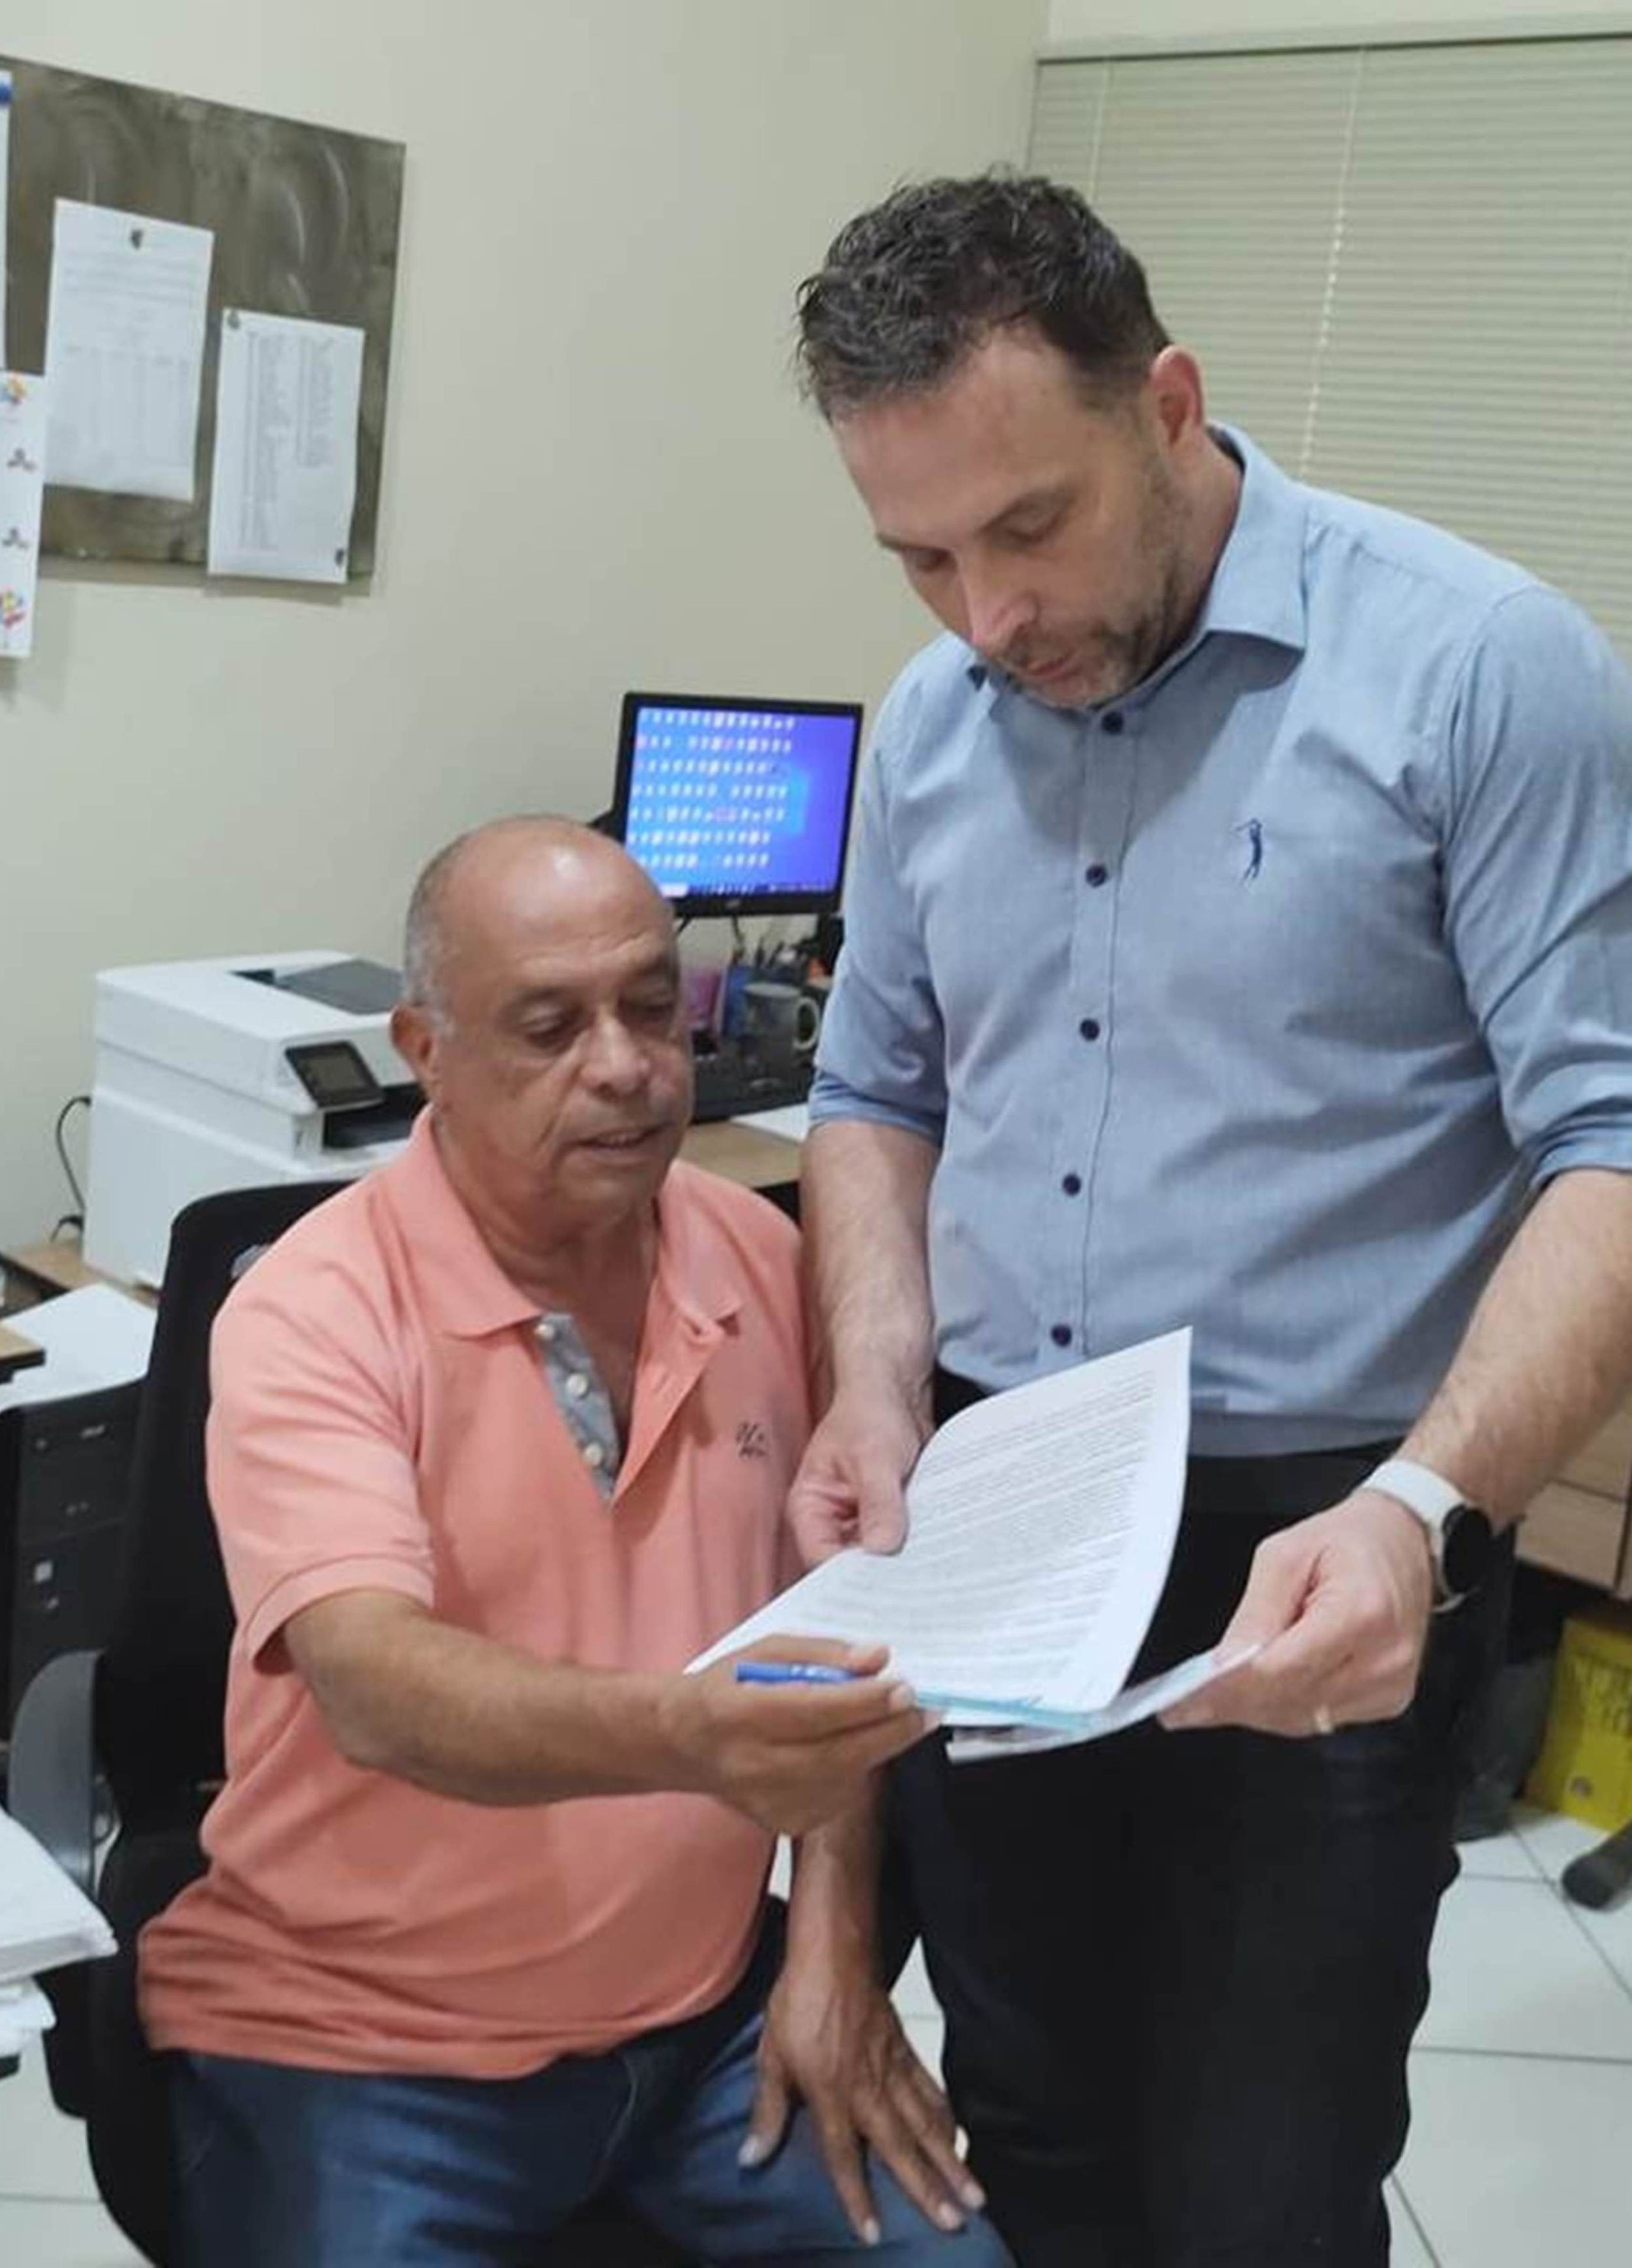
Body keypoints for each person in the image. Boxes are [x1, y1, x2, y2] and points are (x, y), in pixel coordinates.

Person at [784, 174, 1632, 2264]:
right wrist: (866, 1382)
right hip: (998, 1504)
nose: (984, 615)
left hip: (1324, 1525)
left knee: (1262, 2174)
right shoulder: (932, 726)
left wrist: (1424, 1507)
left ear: (1167, 406)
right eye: (921, 558)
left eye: (1027, 526)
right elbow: (874, 1097)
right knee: (1030, 2114)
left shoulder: (1477, 672)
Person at [136, 817, 1008, 2268]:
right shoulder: (314, 1308)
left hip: (705, 2023)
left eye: (653, 1009)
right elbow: (372, 1682)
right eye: (549, 1029)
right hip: (363, 2046)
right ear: (426, 1048)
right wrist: (692, 1735)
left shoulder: (763, 1257)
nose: (624, 1066)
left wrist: (831, 1945)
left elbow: (846, 1636)